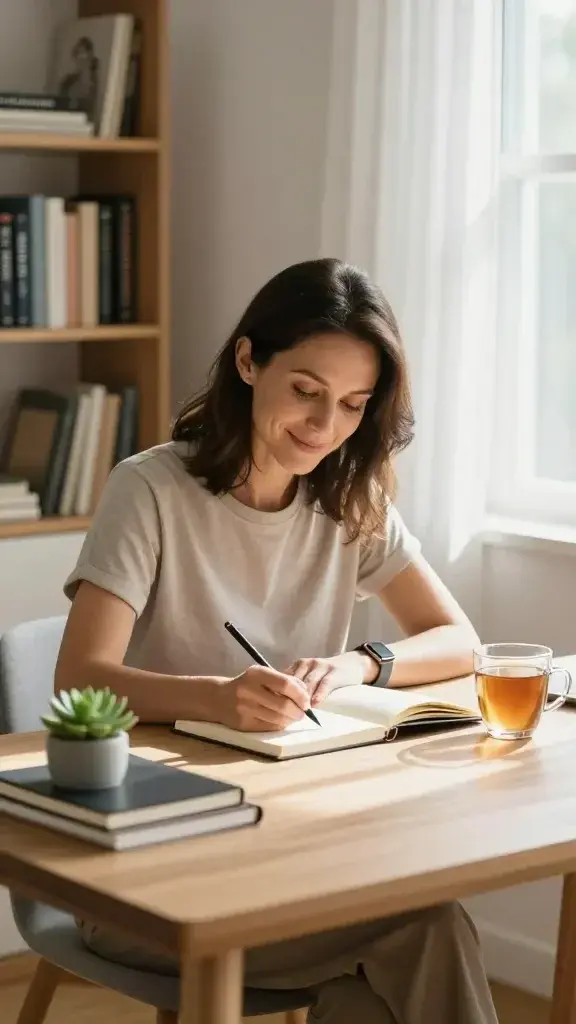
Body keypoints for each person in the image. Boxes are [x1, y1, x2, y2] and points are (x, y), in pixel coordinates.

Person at [56, 258, 498, 1024]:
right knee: (427, 931)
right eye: (306, 391)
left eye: (354, 405)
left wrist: (361, 663)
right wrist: (219, 700)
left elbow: (458, 639)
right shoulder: (151, 490)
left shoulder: (348, 501)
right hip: (148, 857)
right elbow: (80, 682)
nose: (325, 428)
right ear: (249, 360)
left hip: (291, 839)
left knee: (377, 991)